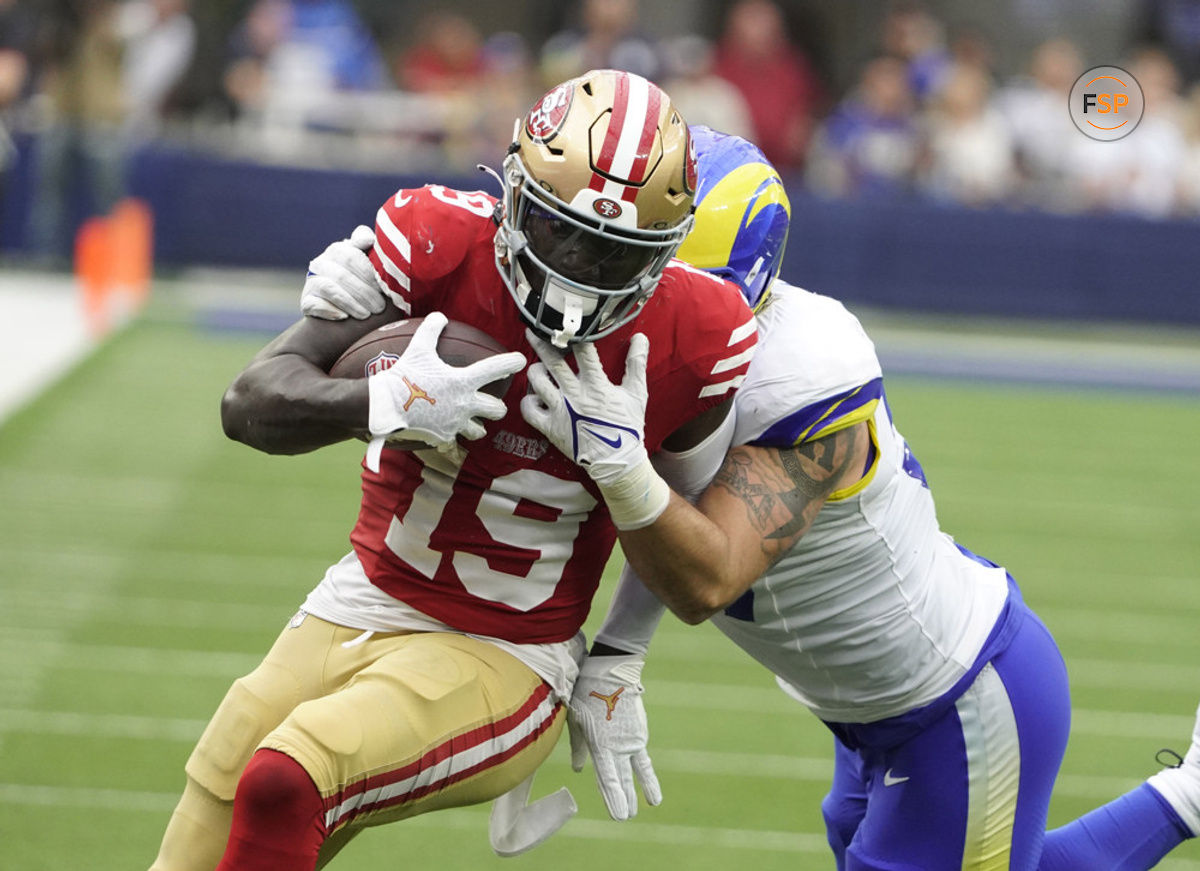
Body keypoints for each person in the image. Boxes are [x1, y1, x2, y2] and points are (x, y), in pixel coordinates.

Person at [302, 125, 1200, 866]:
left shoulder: (804, 383)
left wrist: (619, 482)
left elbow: (707, 570)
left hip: (954, 695)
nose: (616, 301)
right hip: (866, 703)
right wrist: (365, 292)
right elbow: (513, 267)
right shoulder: (622, 311)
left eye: (651, 278)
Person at [147, 70, 758, 871]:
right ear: (511, 191)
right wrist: (378, 403)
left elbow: (681, 523)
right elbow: (249, 402)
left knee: (290, 773)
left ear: (664, 253)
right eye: (557, 230)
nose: (574, 269)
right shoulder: (436, 241)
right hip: (363, 594)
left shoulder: (698, 334)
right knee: (233, 754)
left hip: (511, 652)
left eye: (612, 254)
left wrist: (619, 640)